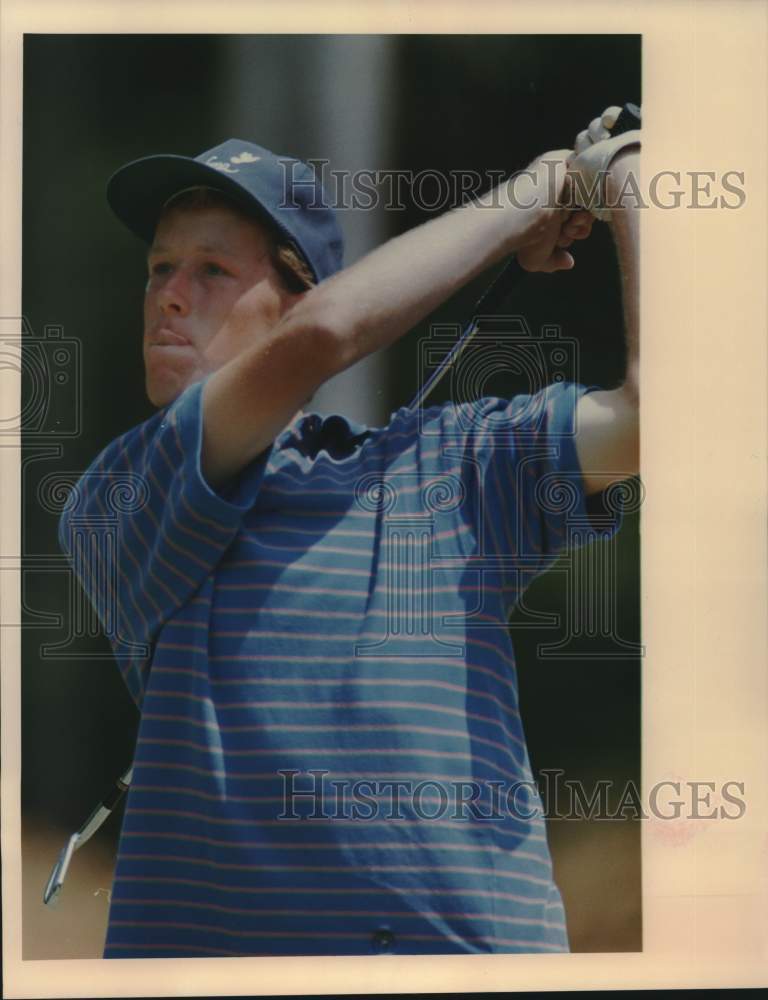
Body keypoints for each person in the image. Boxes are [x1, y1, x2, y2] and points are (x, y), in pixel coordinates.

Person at [59, 114, 640, 957]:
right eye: (159, 268)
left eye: (213, 269)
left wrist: (631, 177)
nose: (169, 295)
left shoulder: (459, 460)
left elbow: (658, 414)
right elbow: (327, 336)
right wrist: (537, 192)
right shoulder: (123, 491)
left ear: (296, 297)